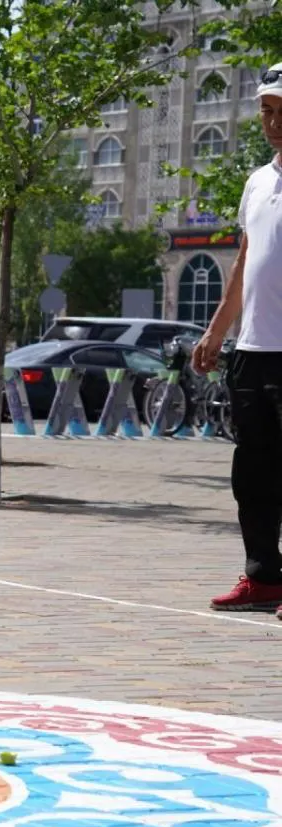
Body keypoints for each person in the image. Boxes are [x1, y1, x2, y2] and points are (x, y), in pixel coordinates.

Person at [194, 63, 282, 615]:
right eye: (268, 111)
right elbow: (246, 263)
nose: (273, 122)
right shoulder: (257, 181)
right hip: (253, 352)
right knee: (253, 475)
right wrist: (217, 331)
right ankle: (265, 576)